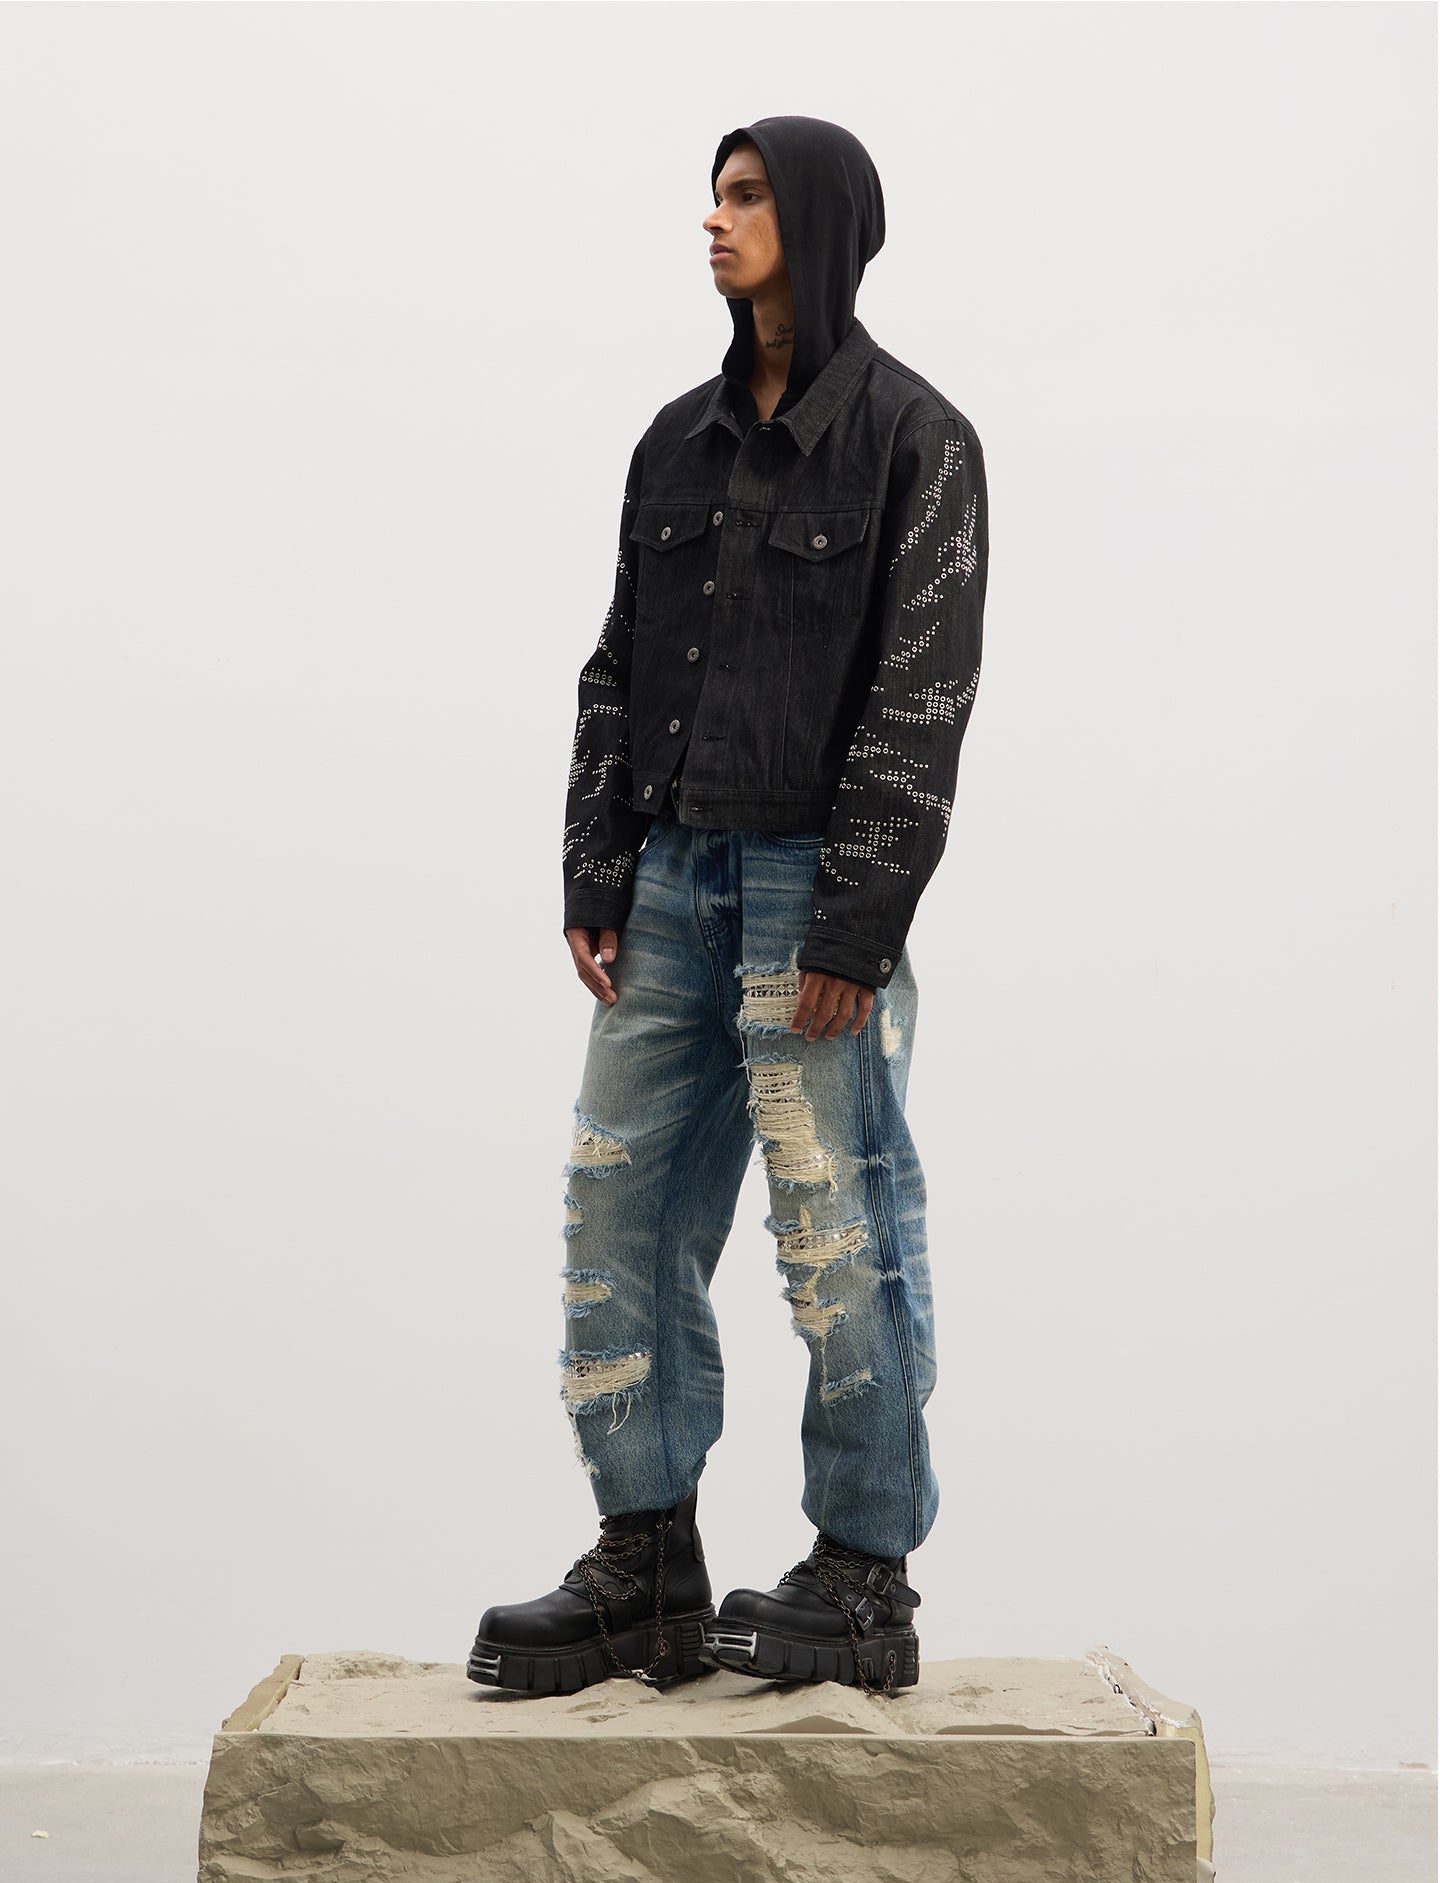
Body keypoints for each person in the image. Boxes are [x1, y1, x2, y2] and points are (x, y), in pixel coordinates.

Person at [468, 114, 989, 1701]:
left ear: (819, 222)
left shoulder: (916, 439)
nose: (716, 218)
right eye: (714, 192)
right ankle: (647, 1564)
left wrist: (854, 924)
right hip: (669, 884)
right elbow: (617, 662)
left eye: (750, 196)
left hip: (808, 888)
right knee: (615, 1214)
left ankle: (865, 1575)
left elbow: (921, 700)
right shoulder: (672, 443)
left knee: (837, 1232)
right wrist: (595, 864)